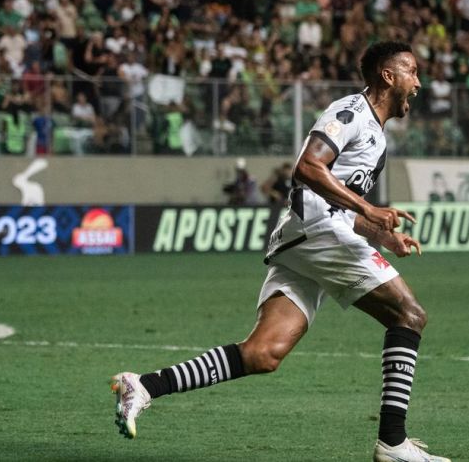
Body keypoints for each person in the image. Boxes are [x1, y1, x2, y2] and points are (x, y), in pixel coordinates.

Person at [110, 41, 449, 462]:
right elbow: (308, 168)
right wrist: (368, 208)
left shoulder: (376, 134)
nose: (418, 83)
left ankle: (143, 385)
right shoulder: (352, 113)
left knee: (262, 354)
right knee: (409, 315)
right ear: (388, 76)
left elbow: (339, 202)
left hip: (308, 235)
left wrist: (379, 232)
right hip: (315, 229)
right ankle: (393, 443)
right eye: (412, 72)